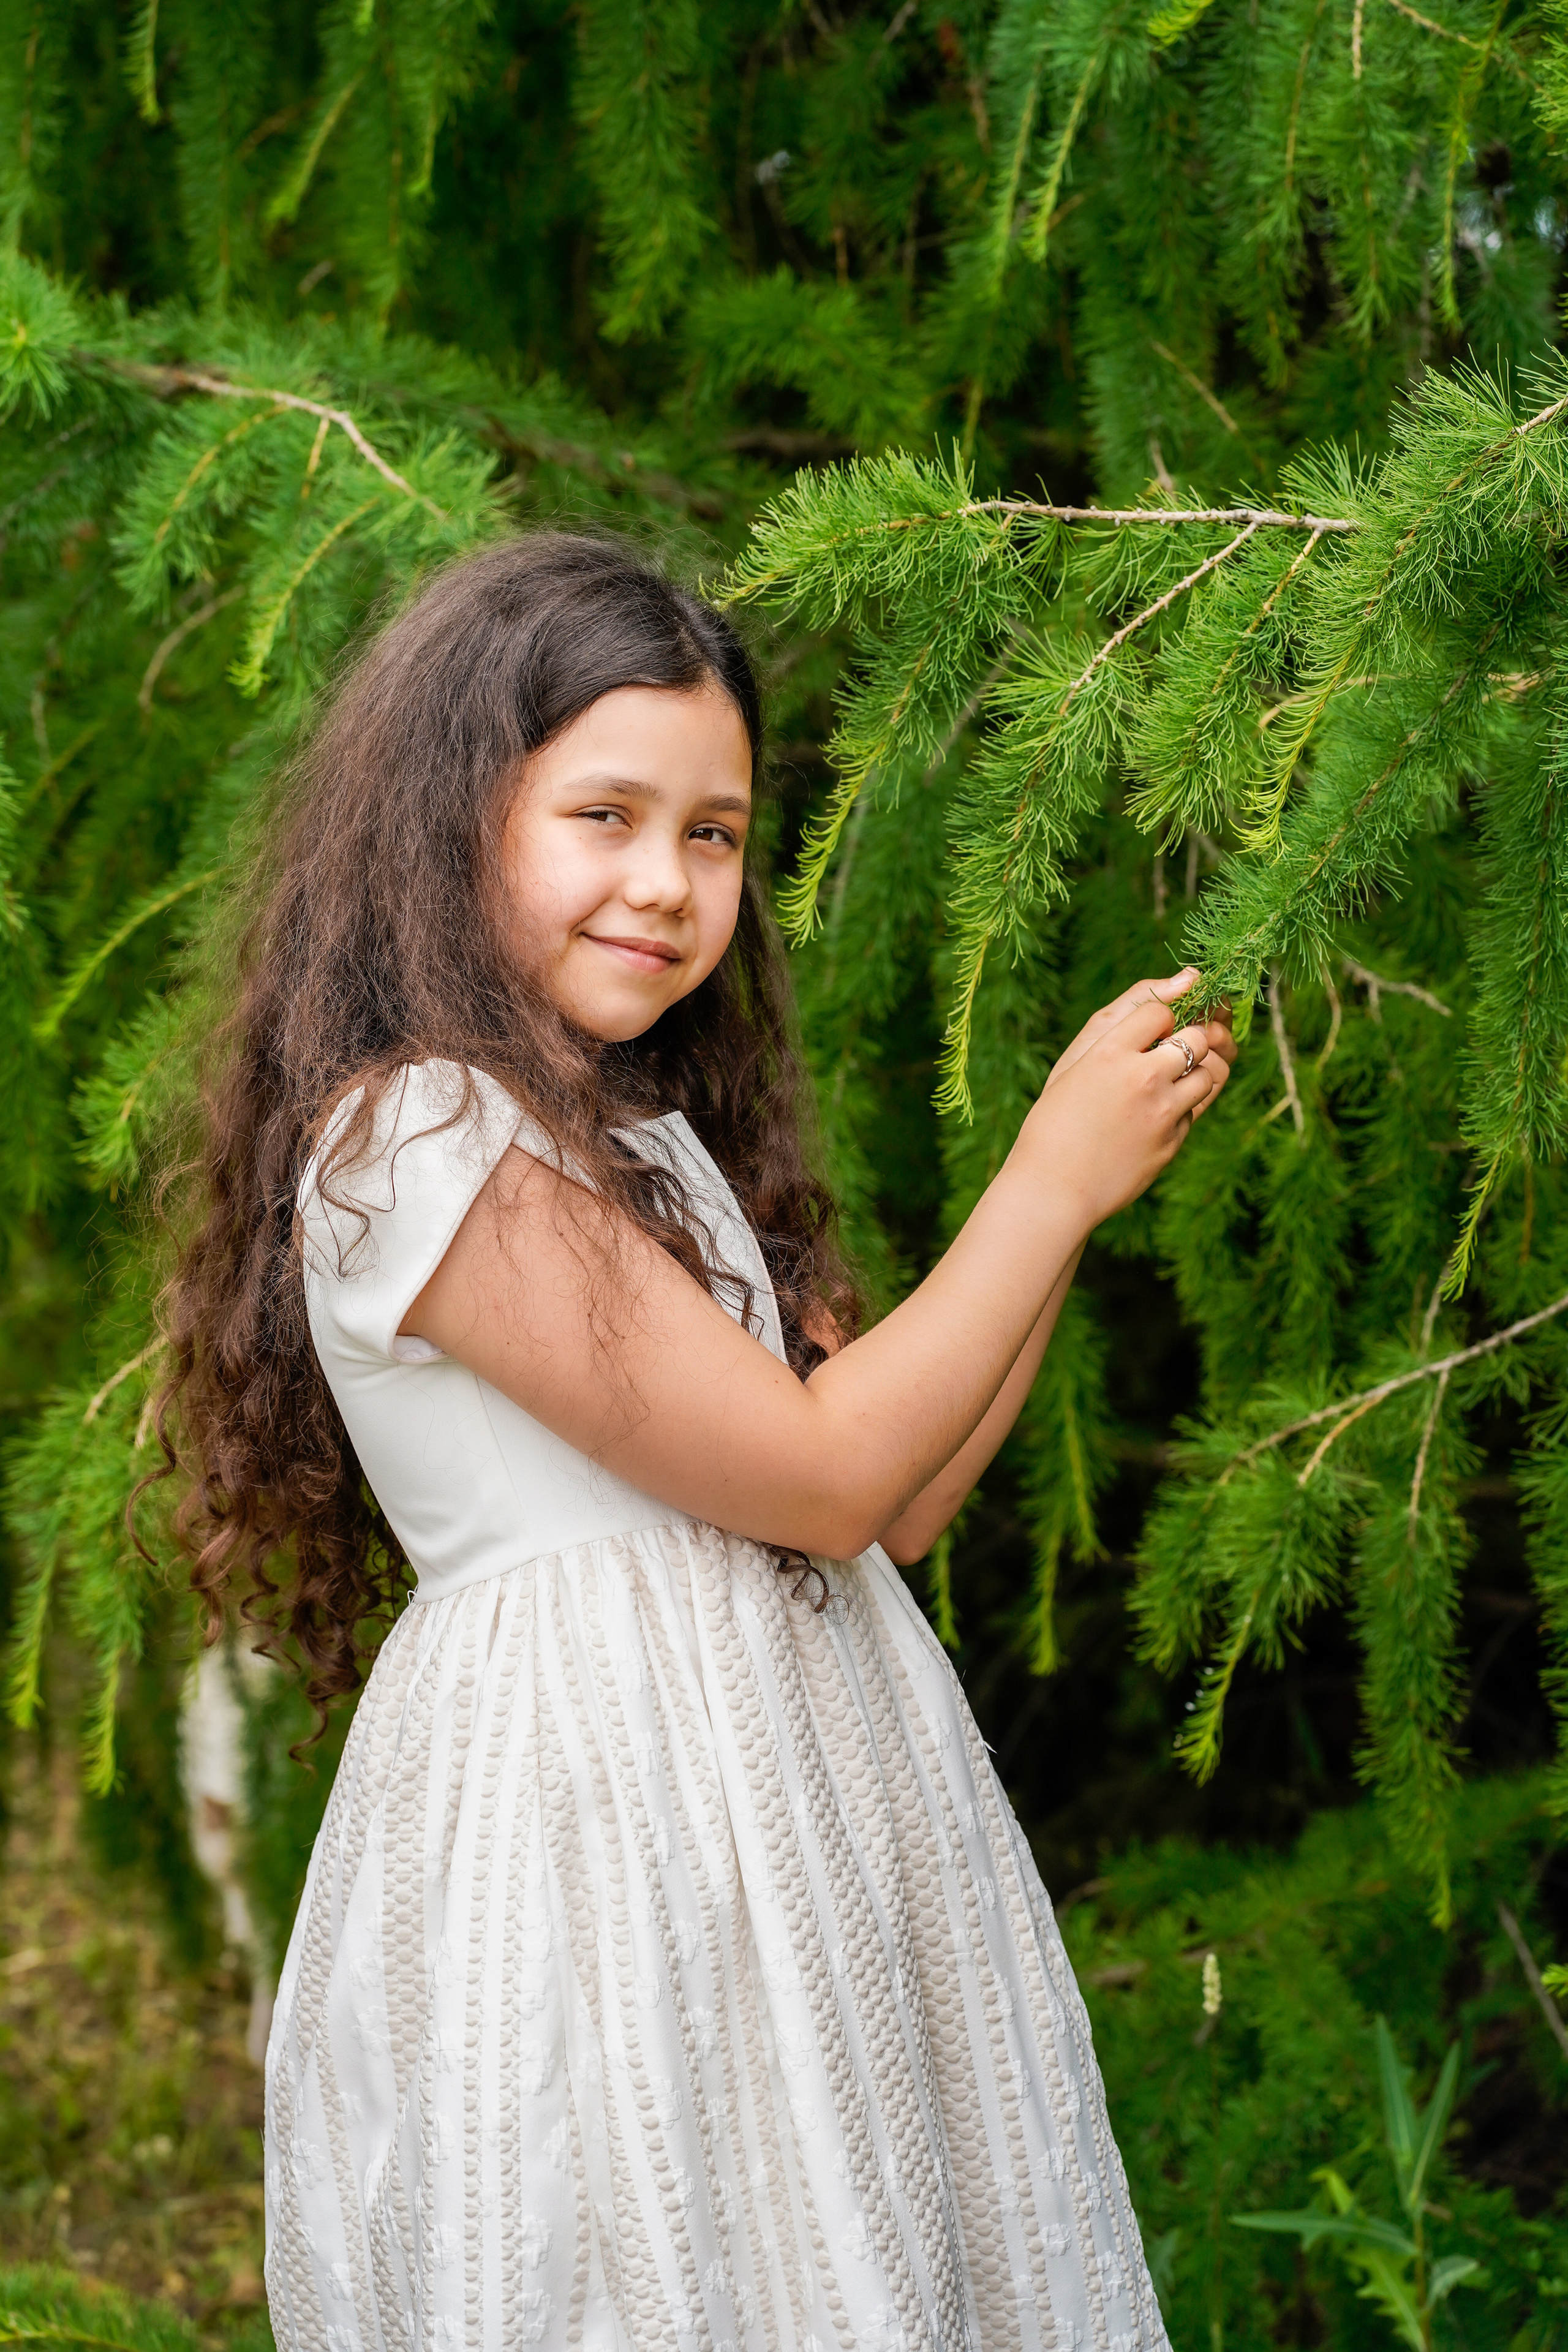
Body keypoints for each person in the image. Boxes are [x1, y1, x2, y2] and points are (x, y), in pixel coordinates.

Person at [160, 533, 1234, 2352]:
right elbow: (820, 1481)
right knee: (655, 2255)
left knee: (834, 2246)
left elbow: (889, 1504)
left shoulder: (654, 1146)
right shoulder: (421, 1137)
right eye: (606, 814)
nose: (665, 882)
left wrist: (1070, 1214)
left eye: (716, 833)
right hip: (601, 1826)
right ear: (451, 821)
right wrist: (1045, 1178)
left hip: (792, 1816)